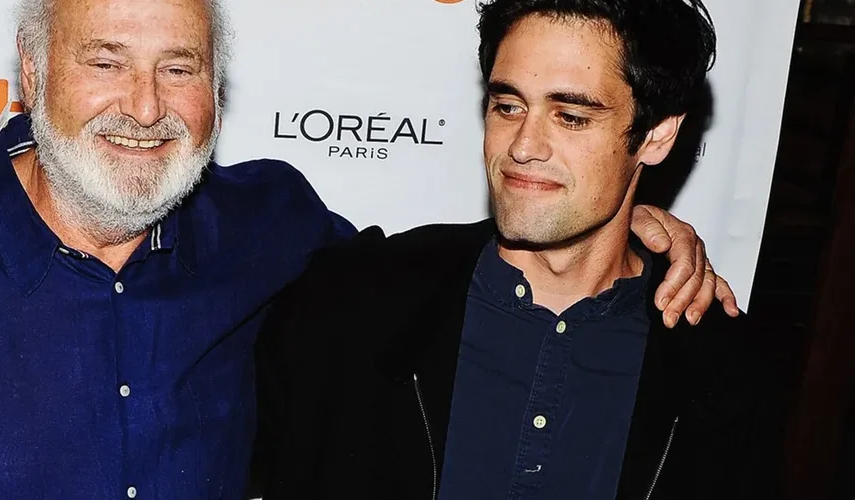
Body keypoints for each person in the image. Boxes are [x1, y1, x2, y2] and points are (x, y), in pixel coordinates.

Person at [0, 0, 730, 499]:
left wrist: (635, 221)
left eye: (180, 67)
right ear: (33, 73)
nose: (145, 107)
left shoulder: (270, 228)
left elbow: (440, 277)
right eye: (104, 61)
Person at [250, 1, 780, 499]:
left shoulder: (721, 370)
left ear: (657, 135)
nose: (523, 146)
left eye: (571, 117)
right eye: (508, 106)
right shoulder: (349, 306)